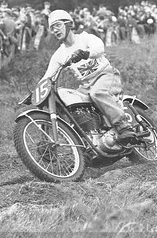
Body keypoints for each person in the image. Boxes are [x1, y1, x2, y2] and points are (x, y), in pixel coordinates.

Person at [41, 9, 136, 144]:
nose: (55, 30)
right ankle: (85, 139)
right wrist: (36, 92)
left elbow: (99, 48)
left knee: (98, 93)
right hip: (86, 85)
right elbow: (48, 75)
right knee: (68, 100)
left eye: (58, 25)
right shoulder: (59, 54)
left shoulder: (85, 38)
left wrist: (85, 53)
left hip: (106, 74)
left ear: (68, 24)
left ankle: (123, 126)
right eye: (52, 28)